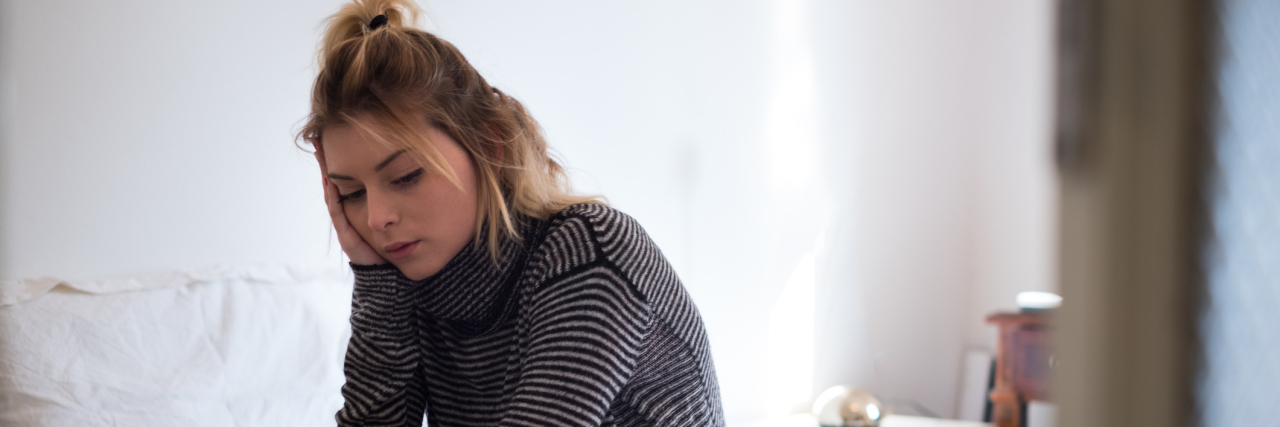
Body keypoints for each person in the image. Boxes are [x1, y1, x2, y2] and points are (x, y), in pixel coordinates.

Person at [298, 1, 724, 425]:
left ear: (489, 145)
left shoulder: (591, 254)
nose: (376, 219)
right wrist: (378, 289)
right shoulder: (411, 285)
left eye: (406, 176)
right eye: (352, 193)